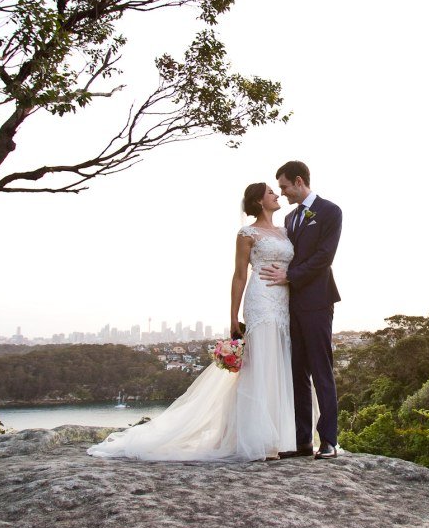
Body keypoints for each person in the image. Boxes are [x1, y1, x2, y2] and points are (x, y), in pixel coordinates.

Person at [87, 182, 298, 462]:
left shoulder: (286, 231)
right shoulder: (247, 234)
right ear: (259, 201)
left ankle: (285, 438)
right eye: (271, 192)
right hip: (260, 301)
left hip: (284, 302)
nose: (277, 194)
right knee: (260, 367)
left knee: (281, 364)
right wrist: (233, 316)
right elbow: (238, 275)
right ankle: (258, 440)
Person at [258, 160, 343, 458]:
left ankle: (329, 441)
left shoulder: (331, 211)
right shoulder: (291, 219)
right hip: (289, 306)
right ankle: (302, 441)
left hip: (318, 302)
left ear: (298, 181)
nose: (282, 193)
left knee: (321, 370)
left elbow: (324, 257)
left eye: (283, 187)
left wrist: (289, 276)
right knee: (297, 373)